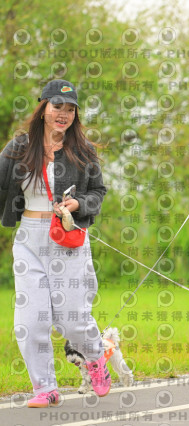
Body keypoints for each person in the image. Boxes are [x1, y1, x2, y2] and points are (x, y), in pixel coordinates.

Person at [0, 79, 110, 407]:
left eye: (70, 109)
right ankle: (45, 388)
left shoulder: (82, 151)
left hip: (67, 238)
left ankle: (96, 356)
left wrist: (79, 205)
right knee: (30, 321)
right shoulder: (19, 147)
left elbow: (98, 191)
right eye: (57, 106)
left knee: (73, 319)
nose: (63, 114)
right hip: (29, 239)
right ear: (43, 108)